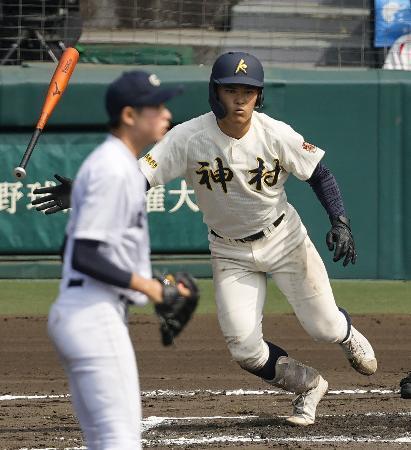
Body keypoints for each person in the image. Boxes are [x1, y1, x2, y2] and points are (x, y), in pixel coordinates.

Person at [32, 52, 377, 427]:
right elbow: (137, 178)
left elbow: (320, 175)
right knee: (245, 350)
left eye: (249, 90)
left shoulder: (275, 133)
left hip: (284, 239)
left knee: (323, 328)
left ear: (259, 97)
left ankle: (345, 333)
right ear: (216, 93)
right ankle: (309, 385)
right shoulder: (188, 137)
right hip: (229, 250)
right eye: (232, 90)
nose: (241, 99)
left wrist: (339, 221)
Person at [44, 70, 197, 449]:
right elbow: (82, 255)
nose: (166, 114)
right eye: (156, 107)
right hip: (94, 319)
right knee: (120, 442)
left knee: (105, 442)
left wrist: (146, 282)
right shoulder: (115, 168)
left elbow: (70, 250)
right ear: (129, 116)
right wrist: (150, 287)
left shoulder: (113, 165)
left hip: (83, 313)